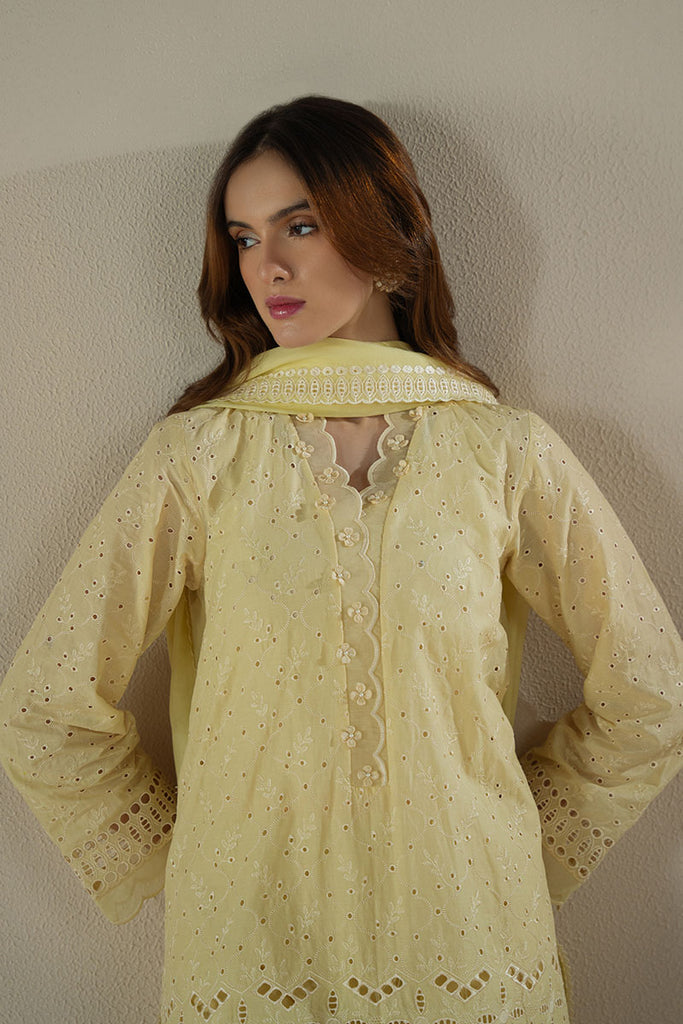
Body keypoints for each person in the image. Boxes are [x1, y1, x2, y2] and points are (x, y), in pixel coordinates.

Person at [1, 96, 681, 1024]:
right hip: (250, 949)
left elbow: (650, 696)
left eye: (300, 225)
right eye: (243, 238)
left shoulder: (502, 452)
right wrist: (193, 863)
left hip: (474, 938)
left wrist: (523, 846)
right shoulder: (198, 457)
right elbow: (45, 709)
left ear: (385, 225)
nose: (266, 267)